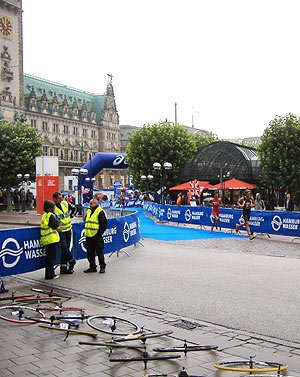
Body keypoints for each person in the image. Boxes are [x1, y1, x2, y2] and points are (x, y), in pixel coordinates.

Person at [52, 191, 77, 275]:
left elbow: (74, 208)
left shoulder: (65, 203)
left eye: (61, 198)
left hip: (68, 229)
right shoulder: (53, 208)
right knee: (64, 247)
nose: (61, 199)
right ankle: (71, 260)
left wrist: (71, 216)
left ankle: (63, 267)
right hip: (60, 230)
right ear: (54, 199)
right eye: (59, 198)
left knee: (65, 249)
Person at [84, 198, 108, 273]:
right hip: (88, 235)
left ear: (95, 203)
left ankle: (102, 267)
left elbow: (104, 224)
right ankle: (92, 267)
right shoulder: (88, 211)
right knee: (90, 253)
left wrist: (99, 233)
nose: (90, 205)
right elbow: (86, 220)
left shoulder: (100, 211)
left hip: (96, 236)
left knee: (99, 252)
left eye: (91, 204)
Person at [40, 200, 61, 280]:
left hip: (46, 239)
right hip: (51, 239)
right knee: (51, 258)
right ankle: (50, 274)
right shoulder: (51, 216)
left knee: (49, 258)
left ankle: (48, 274)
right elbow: (57, 227)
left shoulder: (45, 215)